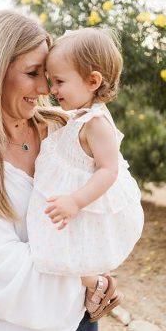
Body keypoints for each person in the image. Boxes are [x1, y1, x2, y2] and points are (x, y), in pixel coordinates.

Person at [0, 10, 119, 330]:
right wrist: (87, 278)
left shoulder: (66, 129)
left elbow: (103, 209)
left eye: (48, 74)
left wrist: (102, 274)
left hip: (81, 318)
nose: (46, 88)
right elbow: (7, 276)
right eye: (33, 72)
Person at [26, 28, 143, 320]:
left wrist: (76, 201)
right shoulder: (79, 114)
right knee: (62, 250)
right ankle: (90, 286)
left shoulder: (98, 123)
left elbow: (108, 169)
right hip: (73, 200)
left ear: (92, 81)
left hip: (86, 202)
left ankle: (97, 285)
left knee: (67, 254)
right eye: (51, 81)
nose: (52, 90)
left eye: (60, 82)